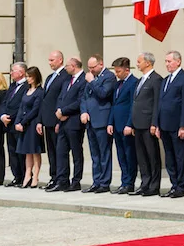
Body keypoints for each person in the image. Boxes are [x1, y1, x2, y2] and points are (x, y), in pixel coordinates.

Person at [158, 51, 184, 198]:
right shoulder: (166, 79)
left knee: (180, 157)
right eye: (166, 61)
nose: (167, 64)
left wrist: (183, 125)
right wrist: (158, 124)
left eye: (169, 61)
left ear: (178, 61)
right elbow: (161, 103)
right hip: (165, 125)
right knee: (169, 157)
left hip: (177, 125)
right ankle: (174, 184)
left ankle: (181, 186)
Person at [50, 56, 87, 193]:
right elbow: (60, 98)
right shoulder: (67, 81)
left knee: (76, 153)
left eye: (67, 66)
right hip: (62, 121)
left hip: (74, 121)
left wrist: (64, 111)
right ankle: (62, 180)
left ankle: (76, 181)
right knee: (61, 152)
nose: (65, 68)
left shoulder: (83, 80)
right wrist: (59, 112)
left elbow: (80, 101)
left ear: (74, 66)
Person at [80, 54, 116, 194]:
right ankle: (96, 181)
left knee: (104, 153)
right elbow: (84, 97)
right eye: (89, 67)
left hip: (102, 120)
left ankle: (104, 182)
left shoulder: (109, 76)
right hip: (90, 121)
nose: (91, 70)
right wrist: (83, 111)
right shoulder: (90, 77)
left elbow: (103, 94)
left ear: (101, 64)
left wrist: (92, 81)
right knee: (95, 154)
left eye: (93, 67)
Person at [129, 52, 163, 197]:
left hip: (149, 123)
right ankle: (145, 183)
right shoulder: (140, 80)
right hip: (138, 124)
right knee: (141, 157)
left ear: (147, 63)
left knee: (152, 156)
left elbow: (156, 103)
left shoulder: (156, 79)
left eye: (139, 61)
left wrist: (154, 123)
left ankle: (154, 186)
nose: (137, 64)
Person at [107, 57, 138, 194]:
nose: (116, 74)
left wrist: (129, 124)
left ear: (127, 70)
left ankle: (129, 182)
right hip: (116, 124)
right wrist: (110, 122)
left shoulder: (133, 83)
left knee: (129, 154)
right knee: (121, 155)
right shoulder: (117, 84)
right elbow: (114, 104)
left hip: (126, 125)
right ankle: (124, 181)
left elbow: (133, 105)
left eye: (118, 71)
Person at [40, 51, 66, 188]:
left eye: (52, 60)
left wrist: (59, 121)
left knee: (59, 151)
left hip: (57, 120)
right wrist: (40, 120)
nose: (50, 63)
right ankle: (54, 177)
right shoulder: (50, 77)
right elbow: (44, 100)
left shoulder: (65, 76)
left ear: (60, 60)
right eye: (49, 60)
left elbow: (62, 98)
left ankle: (61, 179)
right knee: (51, 151)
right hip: (47, 120)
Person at [0, 63, 28, 187]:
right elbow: (4, 102)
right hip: (7, 123)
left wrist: (11, 117)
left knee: (20, 151)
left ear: (21, 72)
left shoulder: (27, 86)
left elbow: (21, 105)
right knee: (11, 151)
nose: (11, 73)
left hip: (18, 122)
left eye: (13, 71)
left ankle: (24, 176)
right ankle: (16, 176)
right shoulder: (12, 86)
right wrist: (2, 116)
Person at [15, 66, 44, 189]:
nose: (28, 79)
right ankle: (28, 174)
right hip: (24, 123)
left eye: (30, 77)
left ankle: (36, 176)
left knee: (34, 151)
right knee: (27, 152)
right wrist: (17, 122)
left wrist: (24, 122)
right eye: (27, 77)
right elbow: (21, 107)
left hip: (32, 124)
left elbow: (35, 109)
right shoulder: (26, 90)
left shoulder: (39, 91)